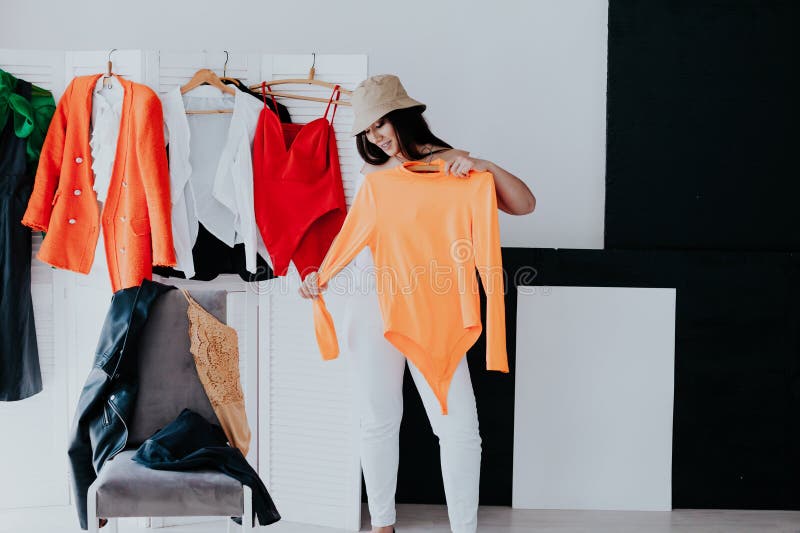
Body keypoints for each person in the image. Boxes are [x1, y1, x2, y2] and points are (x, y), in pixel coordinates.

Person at [299, 74, 535, 533]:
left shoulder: (456, 167)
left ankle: (463, 527)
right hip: (370, 302)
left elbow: (524, 204)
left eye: (381, 123)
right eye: (368, 130)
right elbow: (353, 237)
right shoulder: (374, 177)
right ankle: (382, 524)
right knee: (378, 419)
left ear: (403, 116)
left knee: (459, 427)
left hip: (434, 308)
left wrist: (481, 164)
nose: (376, 137)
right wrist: (320, 276)